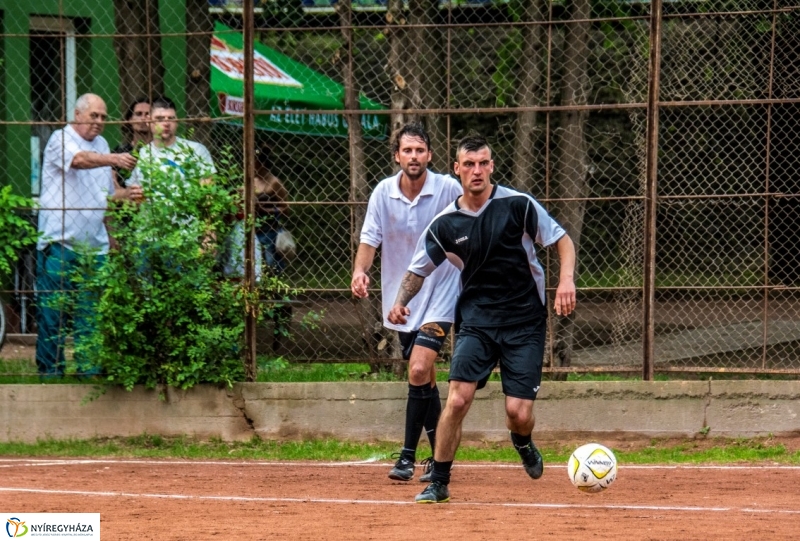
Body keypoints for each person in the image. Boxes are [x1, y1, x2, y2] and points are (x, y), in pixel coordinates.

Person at [388, 134, 577, 503]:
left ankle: (522, 441)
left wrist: (566, 280)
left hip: (524, 321)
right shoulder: (446, 223)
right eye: (469, 164)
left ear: (492, 166)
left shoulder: (518, 205)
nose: (477, 171)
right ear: (456, 169)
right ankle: (439, 481)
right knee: (458, 399)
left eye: (484, 163)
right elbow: (417, 270)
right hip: (476, 320)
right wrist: (399, 303)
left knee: (517, 413)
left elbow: (562, 240)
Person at [351, 123, 463, 483]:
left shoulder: (448, 187)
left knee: (417, 370)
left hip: (442, 294)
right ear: (397, 155)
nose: (414, 157)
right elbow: (370, 238)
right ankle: (437, 457)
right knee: (423, 378)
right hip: (402, 300)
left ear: (429, 155)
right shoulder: (383, 192)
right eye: (407, 151)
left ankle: (407, 455)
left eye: (420, 150)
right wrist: (360, 271)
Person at [35, 93, 138, 377]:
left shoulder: (103, 145)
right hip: (61, 244)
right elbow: (79, 160)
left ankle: (88, 376)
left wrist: (128, 195)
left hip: (95, 247)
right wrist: (114, 158)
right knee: (52, 315)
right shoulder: (61, 138)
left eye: (104, 117)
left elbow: (106, 195)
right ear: (77, 115)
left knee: (90, 317)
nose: (99, 122)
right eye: (94, 116)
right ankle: (51, 376)